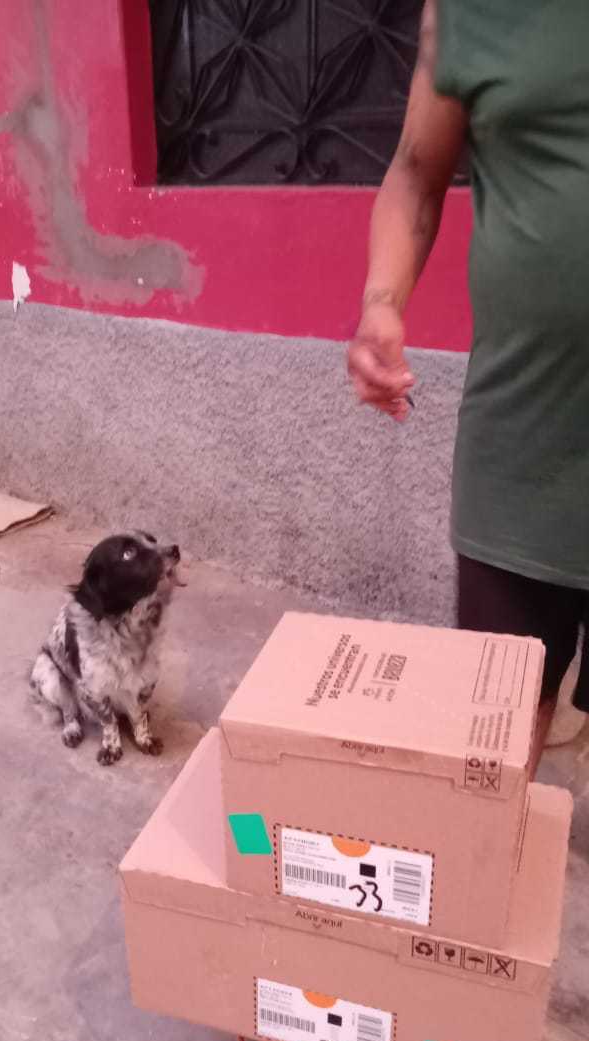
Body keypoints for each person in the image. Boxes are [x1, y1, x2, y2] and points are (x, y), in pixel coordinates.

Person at [348, 0, 588, 775]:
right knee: (490, 755)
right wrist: (382, 304)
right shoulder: (464, 11)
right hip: (521, 451)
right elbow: (416, 174)